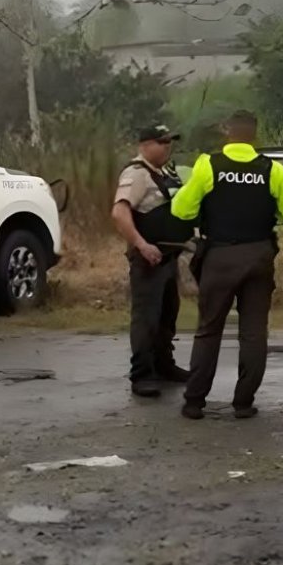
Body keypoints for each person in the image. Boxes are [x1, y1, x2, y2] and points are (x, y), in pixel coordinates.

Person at [170, 110, 283, 420]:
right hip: (259, 255)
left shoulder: (209, 165)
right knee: (254, 333)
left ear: (227, 132)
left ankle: (194, 402)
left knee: (209, 330)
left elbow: (181, 210)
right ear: (255, 135)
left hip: (220, 256)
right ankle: (243, 403)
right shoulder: (270, 169)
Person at [111, 124, 196, 398]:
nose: (167, 147)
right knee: (146, 318)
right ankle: (142, 375)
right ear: (145, 145)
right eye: (162, 142)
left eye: (169, 142)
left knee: (167, 315)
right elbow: (119, 212)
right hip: (148, 258)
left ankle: (164, 365)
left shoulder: (165, 172)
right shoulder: (136, 174)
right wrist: (141, 244)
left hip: (169, 256)